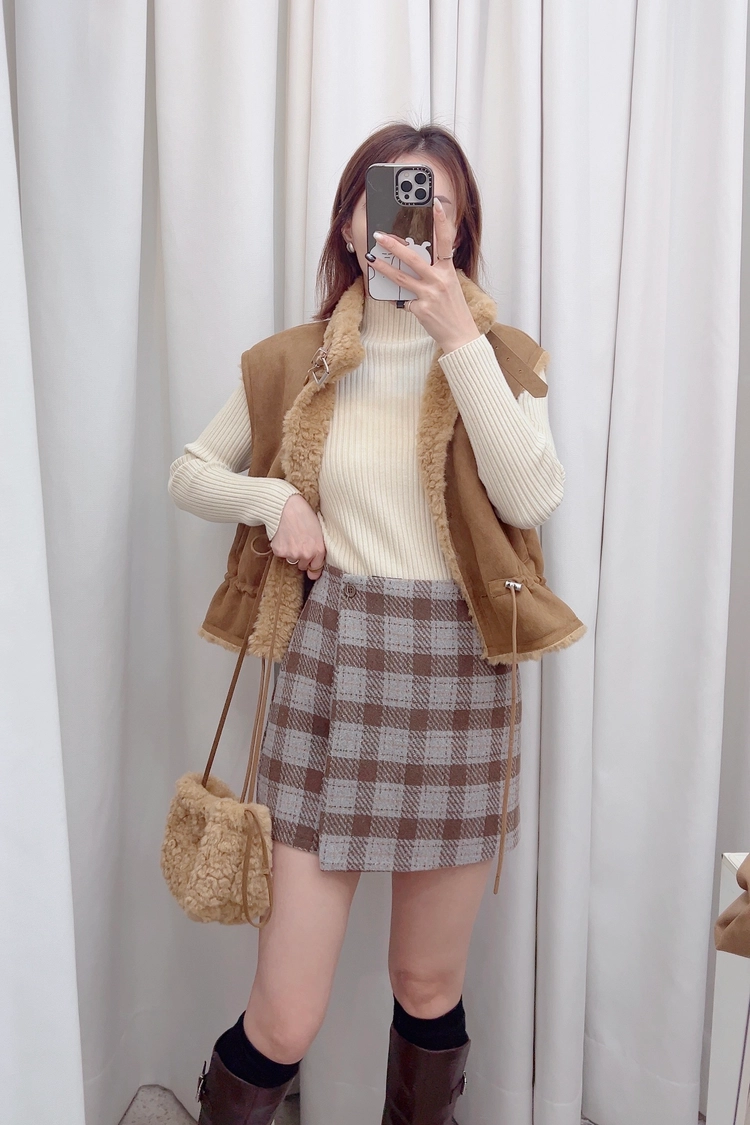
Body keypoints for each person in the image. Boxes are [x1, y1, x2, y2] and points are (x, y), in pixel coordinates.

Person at [169, 122, 568, 1125]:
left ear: (459, 228)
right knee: (285, 1015)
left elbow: (530, 497)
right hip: (329, 673)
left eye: (434, 203)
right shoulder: (297, 362)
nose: (408, 219)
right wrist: (274, 501)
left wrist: (459, 341)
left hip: (460, 682)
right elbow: (190, 471)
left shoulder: (500, 357)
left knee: (427, 984)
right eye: (386, 197)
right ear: (351, 224)